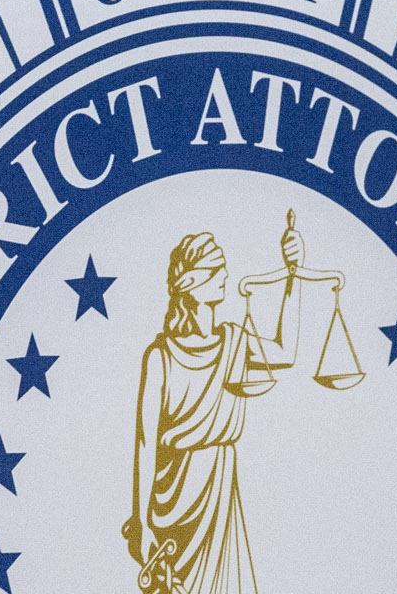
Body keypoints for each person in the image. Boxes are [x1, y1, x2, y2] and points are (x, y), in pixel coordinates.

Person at [126, 223, 304, 593]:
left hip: (219, 488)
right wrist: (141, 522)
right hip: (173, 496)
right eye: (214, 269)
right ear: (191, 285)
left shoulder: (234, 341)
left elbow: (285, 353)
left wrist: (293, 275)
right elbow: (145, 444)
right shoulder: (159, 357)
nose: (224, 274)